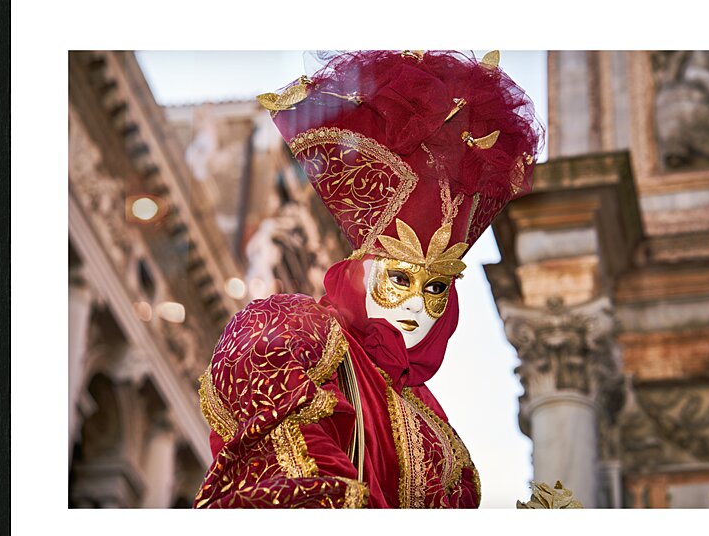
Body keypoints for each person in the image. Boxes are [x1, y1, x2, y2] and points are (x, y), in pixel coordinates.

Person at [193, 50, 543, 508]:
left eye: (436, 287)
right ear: (361, 274)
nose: (417, 304)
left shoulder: (437, 431)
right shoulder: (293, 328)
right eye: (400, 278)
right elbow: (280, 467)